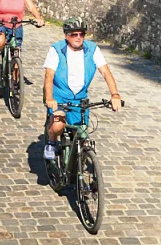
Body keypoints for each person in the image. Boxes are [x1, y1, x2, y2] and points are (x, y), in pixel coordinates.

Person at [42, 16, 123, 160]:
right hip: (59, 97)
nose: (78, 37)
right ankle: (51, 142)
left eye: (82, 34)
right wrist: (49, 98)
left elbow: (106, 72)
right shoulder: (57, 50)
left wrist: (115, 95)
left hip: (80, 100)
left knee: (82, 135)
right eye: (74, 34)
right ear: (66, 36)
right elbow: (49, 77)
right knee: (58, 126)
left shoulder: (92, 49)